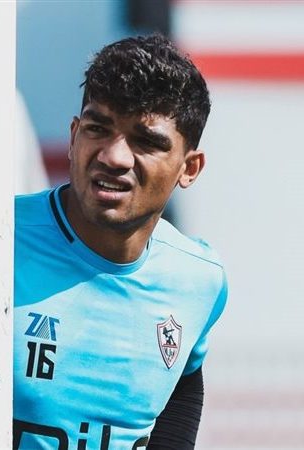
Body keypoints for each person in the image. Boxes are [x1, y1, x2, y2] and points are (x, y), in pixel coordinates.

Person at [13, 34, 227, 450]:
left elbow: (183, 383)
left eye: (145, 142)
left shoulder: (199, 279)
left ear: (189, 168)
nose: (114, 157)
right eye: (98, 129)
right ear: (73, 137)